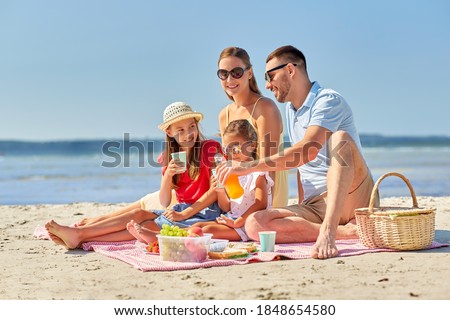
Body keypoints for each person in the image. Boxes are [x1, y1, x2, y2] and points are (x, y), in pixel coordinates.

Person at [216, 45, 379, 259]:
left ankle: (329, 232)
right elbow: (303, 168)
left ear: (290, 70)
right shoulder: (291, 110)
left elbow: (306, 152)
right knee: (255, 224)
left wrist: (246, 167)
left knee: (340, 140)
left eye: (271, 76)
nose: (267, 84)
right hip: (316, 206)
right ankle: (347, 232)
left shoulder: (328, 100)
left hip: (352, 195)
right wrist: (302, 207)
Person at [45, 102, 223, 248]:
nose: (189, 133)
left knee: (145, 226)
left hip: (204, 212)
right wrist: (168, 175)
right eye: (180, 130)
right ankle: (79, 235)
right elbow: (165, 202)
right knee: (138, 213)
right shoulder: (168, 158)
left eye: (192, 126)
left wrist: (185, 215)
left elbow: (217, 189)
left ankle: (81, 237)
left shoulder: (210, 149)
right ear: (169, 132)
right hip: (180, 209)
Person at [216, 47, 288, 208]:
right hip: (239, 200)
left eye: (236, 72)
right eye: (223, 73)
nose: (229, 79)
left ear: (249, 73)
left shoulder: (264, 108)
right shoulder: (224, 115)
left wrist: (263, 210)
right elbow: (230, 164)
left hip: (266, 198)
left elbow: (269, 165)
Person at [189, 119, 274, 241]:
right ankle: (166, 237)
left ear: (252, 145)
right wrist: (220, 191)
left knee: (205, 231)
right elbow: (228, 207)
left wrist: (237, 222)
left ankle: (173, 238)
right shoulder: (232, 173)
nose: (232, 153)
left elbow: (261, 203)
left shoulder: (257, 172)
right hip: (233, 220)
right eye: (227, 148)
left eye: (236, 147)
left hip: (249, 224)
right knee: (197, 226)